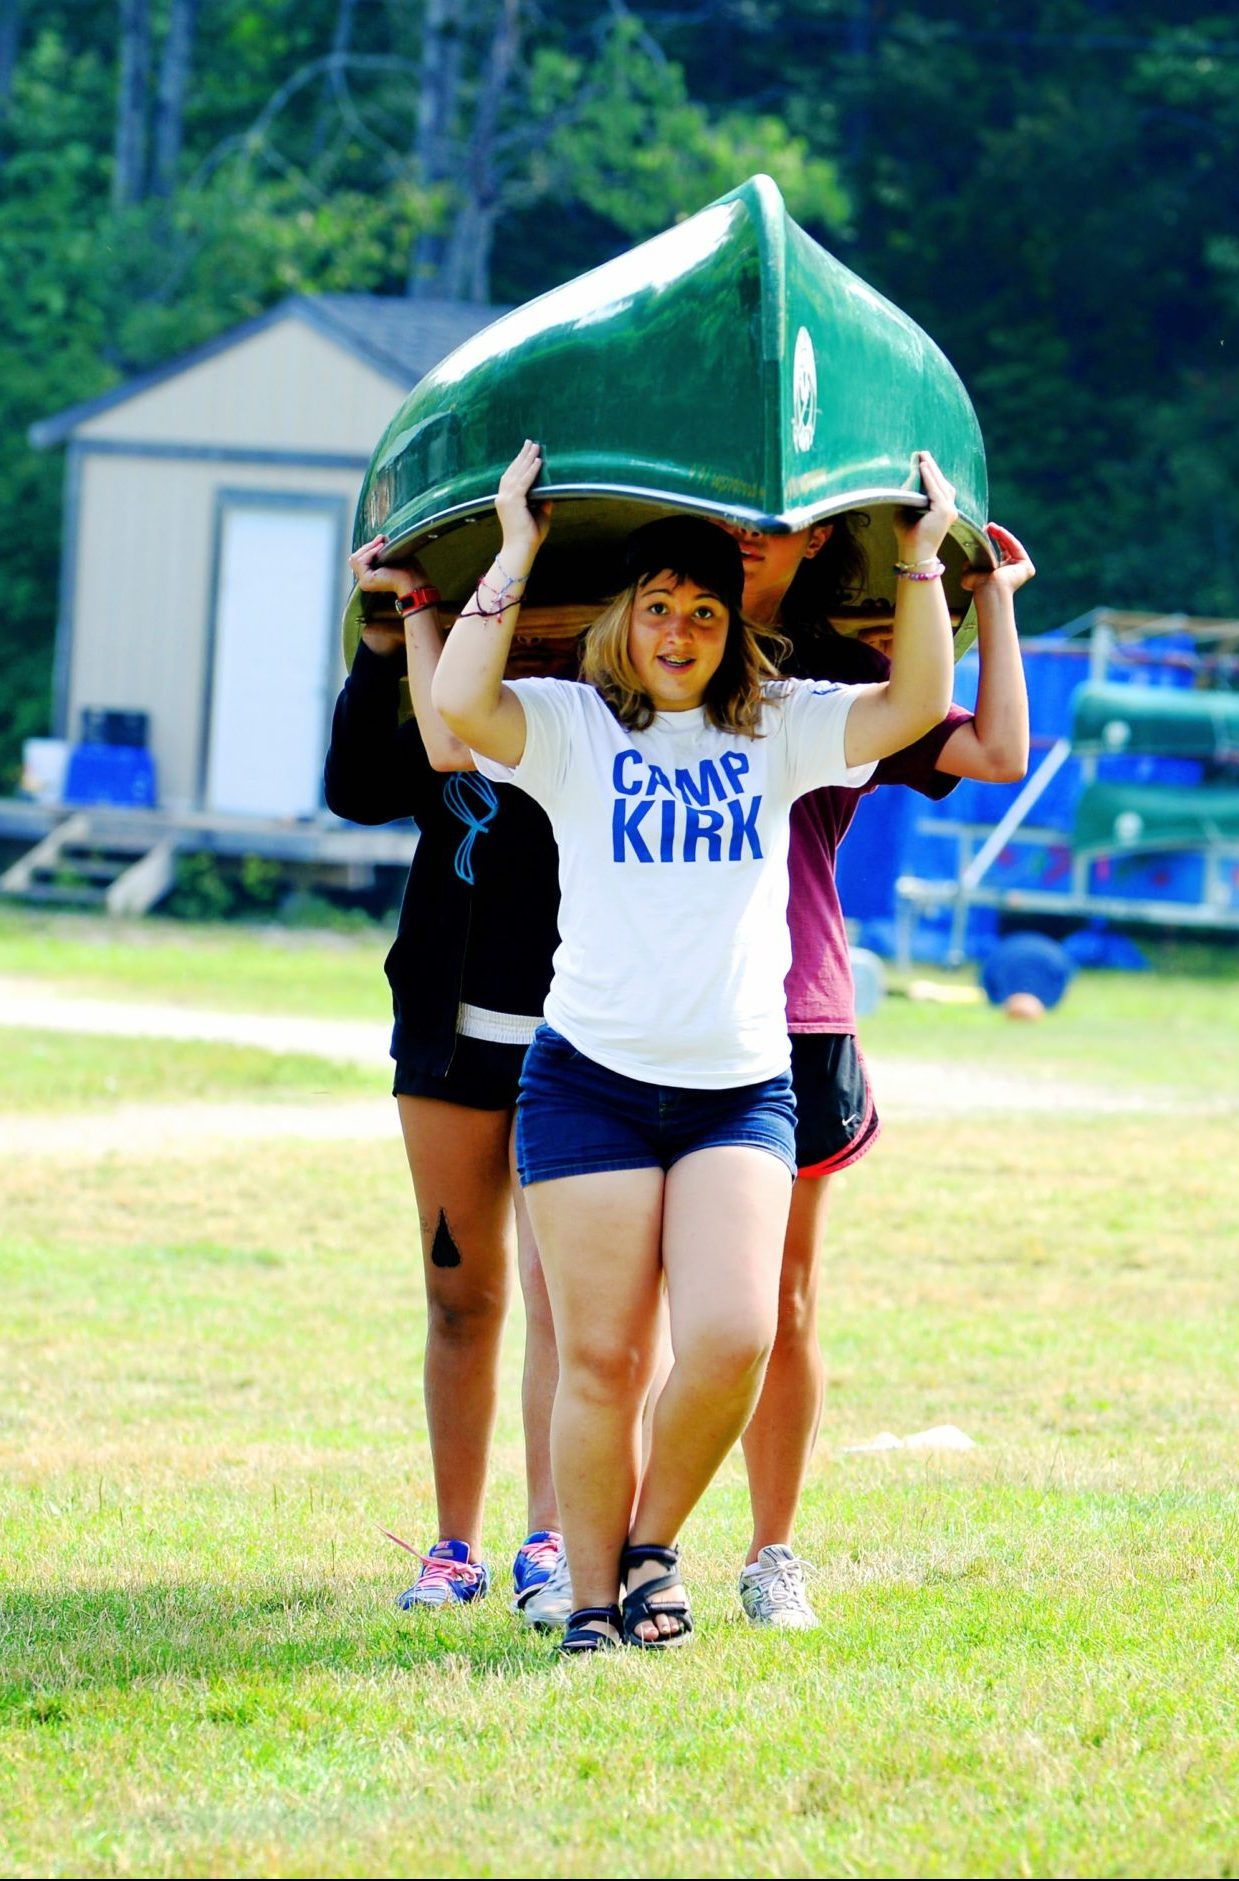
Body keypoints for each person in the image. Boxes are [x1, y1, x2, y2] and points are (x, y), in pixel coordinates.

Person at [417, 439, 957, 1651]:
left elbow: (914, 708)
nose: (677, 631)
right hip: (590, 1086)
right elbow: (456, 707)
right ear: (625, 619)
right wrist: (512, 550)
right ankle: (594, 1608)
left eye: (703, 611)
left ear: (729, 632)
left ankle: (652, 1542)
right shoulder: (569, 727)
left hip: (735, 1091)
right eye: (657, 606)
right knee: (600, 1358)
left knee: (732, 1335)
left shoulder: (779, 726)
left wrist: (920, 563)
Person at [720, 511, 1035, 1627]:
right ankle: (603, 1550)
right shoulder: (634, 644)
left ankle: (770, 1555)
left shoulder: (845, 678)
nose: (749, 534)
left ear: (815, 542)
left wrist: (988, 594)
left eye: (777, 521)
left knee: (780, 1302)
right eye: (726, 516)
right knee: (628, 1308)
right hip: (646, 1010)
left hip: (794, 1014)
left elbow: (996, 755)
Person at [325, 550, 571, 1624]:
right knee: (460, 1298)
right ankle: (453, 1546)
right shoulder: (452, 665)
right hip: (449, 1025)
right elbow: (357, 790)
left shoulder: (617, 698)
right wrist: (384, 645)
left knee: (571, 1305)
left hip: (586, 1033)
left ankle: (556, 1538)